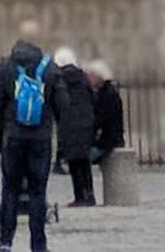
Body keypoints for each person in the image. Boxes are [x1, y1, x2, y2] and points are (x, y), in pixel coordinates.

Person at [0, 18, 54, 252]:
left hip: (14, 137)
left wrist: (5, 127)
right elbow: (62, 102)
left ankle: (5, 242)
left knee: (10, 189)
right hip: (40, 138)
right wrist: (48, 121)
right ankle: (38, 244)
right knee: (38, 192)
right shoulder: (49, 67)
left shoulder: (7, 65)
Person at [48, 40, 100, 207]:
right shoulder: (83, 77)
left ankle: (79, 196)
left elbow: (56, 102)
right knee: (84, 161)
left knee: (73, 161)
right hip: (85, 122)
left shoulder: (58, 78)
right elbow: (92, 99)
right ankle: (90, 195)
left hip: (68, 122)